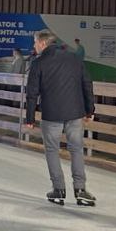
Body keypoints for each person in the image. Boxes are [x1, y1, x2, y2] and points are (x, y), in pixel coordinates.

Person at [24, 29, 96, 207]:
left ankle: (59, 190)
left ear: (42, 43)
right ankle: (80, 190)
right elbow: (87, 84)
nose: (34, 46)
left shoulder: (38, 63)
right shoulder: (74, 58)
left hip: (52, 114)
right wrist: (89, 109)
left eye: (35, 43)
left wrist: (30, 118)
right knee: (76, 149)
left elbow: (32, 93)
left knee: (52, 150)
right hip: (75, 113)